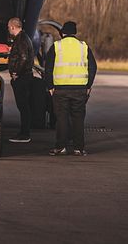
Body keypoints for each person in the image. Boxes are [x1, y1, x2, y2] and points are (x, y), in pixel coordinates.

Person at [44, 21, 97, 156]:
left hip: (60, 89)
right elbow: (93, 67)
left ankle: (61, 147)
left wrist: (50, 86)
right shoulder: (84, 47)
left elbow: (48, 68)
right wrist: (88, 85)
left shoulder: (57, 46)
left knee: (61, 118)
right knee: (78, 118)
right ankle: (78, 148)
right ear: (75, 33)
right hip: (80, 89)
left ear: (62, 33)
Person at [7, 17, 34, 143]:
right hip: (25, 76)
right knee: (24, 106)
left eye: (8, 27)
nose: (8, 29)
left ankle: (25, 134)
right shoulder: (23, 38)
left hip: (22, 77)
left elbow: (23, 57)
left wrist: (16, 72)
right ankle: (24, 132)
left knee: (23, 106)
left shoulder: (21, 40)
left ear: (13, 27)